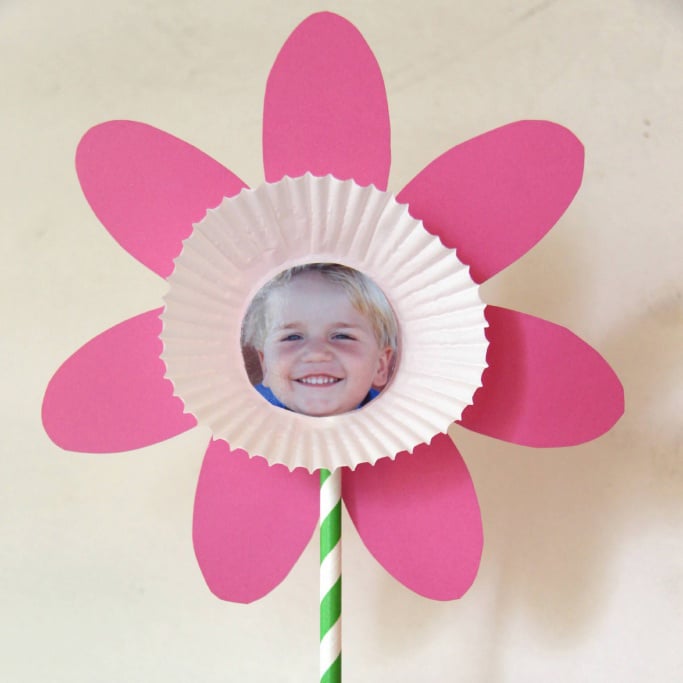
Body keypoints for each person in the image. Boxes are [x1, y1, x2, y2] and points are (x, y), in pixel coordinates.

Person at [241, 263, 398, 416]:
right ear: (265, 365)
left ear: (380, 366)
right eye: (292, 337)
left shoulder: (399, 426)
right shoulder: (239, 423)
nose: (316, 353)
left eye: (342, 336)